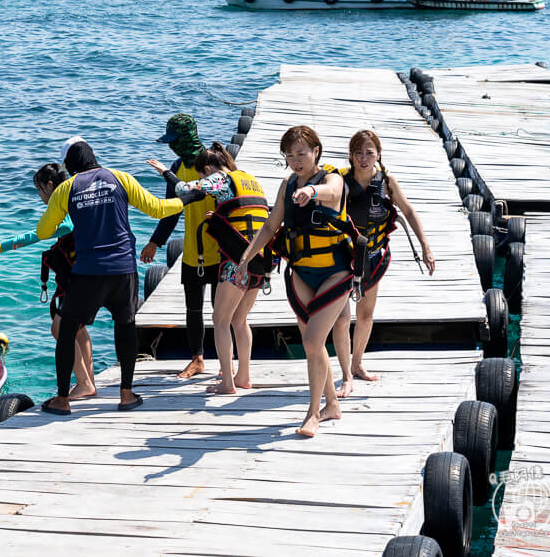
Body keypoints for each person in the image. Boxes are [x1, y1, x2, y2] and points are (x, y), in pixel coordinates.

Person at [36, 139, 196, 416]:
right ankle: (126, 395)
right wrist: (186, 198)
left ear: (70, 165)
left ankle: (62, 399)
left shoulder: (66, 188)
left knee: (66, 331)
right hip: (123, 268)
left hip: (87, 272)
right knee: (125, 327)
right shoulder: (120, 177)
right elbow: (158, 208)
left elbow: (42, 231)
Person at [236, 126, 362, 438]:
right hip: (300, 272)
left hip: (335, 270)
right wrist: (246, 257)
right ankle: (331, 405)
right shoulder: (287, 184)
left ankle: (312, 413)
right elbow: (269, 226)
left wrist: (311, 192)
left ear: (316, 151)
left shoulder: (332, 177)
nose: (295, 159)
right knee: (314, 344)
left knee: (311, 341)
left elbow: (332, 192)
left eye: (301, 153)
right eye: (290, 154)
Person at [148, 142, 270, 394]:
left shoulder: (219, 179)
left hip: (236, 263)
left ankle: (227, 382)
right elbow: (245, 211)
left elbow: (184, 187)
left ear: (206, 169)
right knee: (240, 319)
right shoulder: (248, 179)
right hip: (261, 261)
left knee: (220, 319)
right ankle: (243, 376)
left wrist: (164, 172)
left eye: (202, 175)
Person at [332, 130, 436, 397]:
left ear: (378, 154)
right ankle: (345, 376)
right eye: (358, 152)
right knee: (342, 319)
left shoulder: (387, 182)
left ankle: (357, 365)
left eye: (369, 152)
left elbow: (409, 211)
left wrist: (425, 245)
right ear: (351, 155)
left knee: (365, 315)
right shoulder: (339, 181)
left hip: (374, 255)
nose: (364, 158)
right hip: (342, 255)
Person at [0, 163, 97, 399]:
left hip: (77, 280)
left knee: (60, 329)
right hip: (86, 275)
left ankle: (84, 382)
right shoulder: (75, 201)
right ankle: (88, 381)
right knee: (79, 330)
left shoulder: (65, 212)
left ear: (50, 186)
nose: (39, 196)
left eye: (39, 190)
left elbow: (36, 235)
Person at [141, 113, 218, 379]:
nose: (172, 147)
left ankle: (229, 361)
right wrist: (154, 242)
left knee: (223, 311)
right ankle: (197, 359)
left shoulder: (213, 163)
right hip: (193, 251)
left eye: (175, 141)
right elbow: (172, 212)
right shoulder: (176, 167)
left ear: (188, 138)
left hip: (221, 250)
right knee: (193, 309)